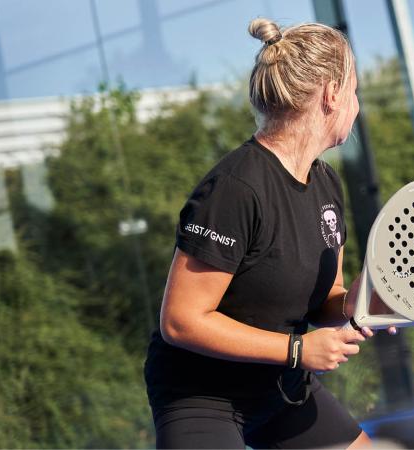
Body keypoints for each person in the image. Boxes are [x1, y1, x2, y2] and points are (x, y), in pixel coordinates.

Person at [143, 18, 393, 449]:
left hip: (282, 387)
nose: (356, 102)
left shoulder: (327, 185)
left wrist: (362, 302)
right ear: (332, 94)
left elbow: (326, 297)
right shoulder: (236, 188)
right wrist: (298, 350)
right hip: (202, 396)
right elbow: (181, 321)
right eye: (354, 90)